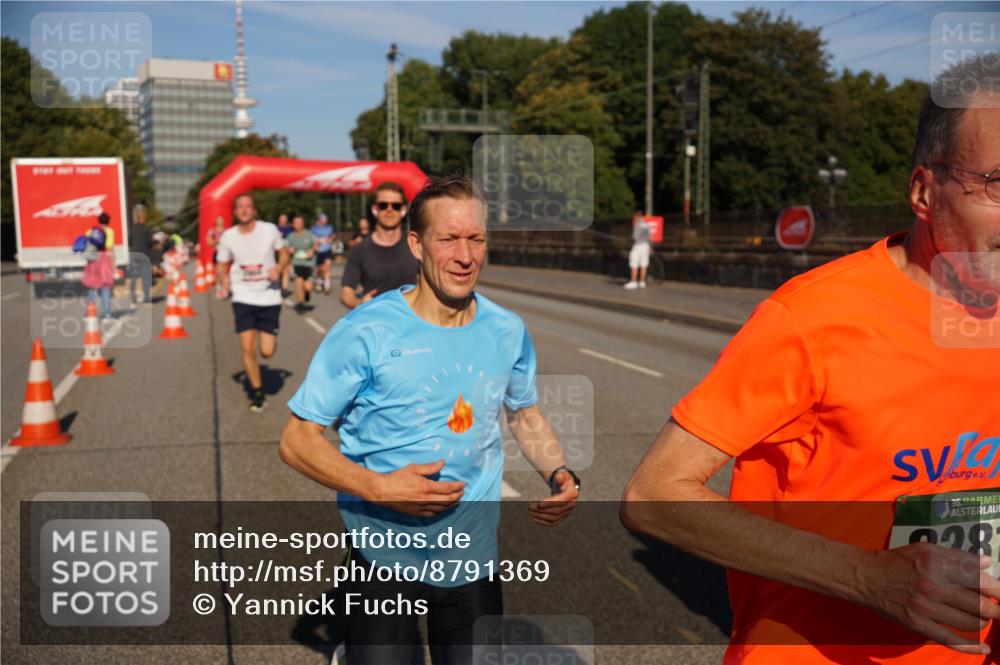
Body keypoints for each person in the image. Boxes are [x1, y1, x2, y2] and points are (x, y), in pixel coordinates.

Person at [621, 55, 1000, 665]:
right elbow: (654, 494)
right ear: (925, 191)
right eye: (998, 185)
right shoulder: (815, 316)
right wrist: (867, 578)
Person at [280, 173, 580, 665]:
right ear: (417, 245)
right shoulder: (365, 331)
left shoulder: (507, 330)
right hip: (382, 553)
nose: (465, 256)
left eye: (476, 239)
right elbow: (297, 439)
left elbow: (524, 413)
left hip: (472, 557)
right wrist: (376, 487)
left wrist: (561, 474)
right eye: (449, 239)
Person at [215, 193, 289, 413]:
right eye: (240, 207)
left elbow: (284, 254)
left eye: (248, 206)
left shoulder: (269, 230)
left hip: (268, 296)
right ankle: (257, 392)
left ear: (254, 210)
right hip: (243, 295)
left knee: (266, 351)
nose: (245, 210)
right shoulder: (228, 236)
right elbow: (221, 264)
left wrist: (279, 268)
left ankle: (263, 358)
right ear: (235, 212)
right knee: (247, 347)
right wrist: (224, 278)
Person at [340, 183, 418, 309]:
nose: (389, 209)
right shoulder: (359, 250)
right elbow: (346, 294)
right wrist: (360, 304)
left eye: (395, 206)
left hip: (412, 322)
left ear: (403, 210)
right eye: (383, 205)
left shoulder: (415, 245)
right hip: (375, 322)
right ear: (375, 210)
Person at [82, 211, 116, 318]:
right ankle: (107, 313)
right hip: (104, 258)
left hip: (92, 259)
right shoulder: (109, 231)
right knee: (105, 286)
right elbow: (109, 247)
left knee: (92, 286)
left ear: (99, 220)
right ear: (108, 221)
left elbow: (86, 244)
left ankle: (88, 313)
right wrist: (113, 263)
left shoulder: (91, 231)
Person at [285, 214, 318, 312]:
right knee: (298, 282)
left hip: (309, 263)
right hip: (297, 263)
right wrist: (289, 249)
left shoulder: (309, 234)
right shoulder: (291, 236)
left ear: (303, 224)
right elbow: (286, 247)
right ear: (293, 224)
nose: (297, 224)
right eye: (295, 223)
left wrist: (312, 250)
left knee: (307, 287)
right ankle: (301, 303)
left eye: (300, 222)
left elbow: (316, 244)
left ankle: (307, 294)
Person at [127, 204, 152, 304]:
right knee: (145, 277)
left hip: (134, 255)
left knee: (134, 277)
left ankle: (133, 297)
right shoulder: (147, 229)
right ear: (143, 219)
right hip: (144, 256)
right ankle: (145, 297)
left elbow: (129, 241)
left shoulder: (132, 229)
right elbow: (150, 242)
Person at [624, 211, 651, 289]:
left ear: (637, 216)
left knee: (634, 264)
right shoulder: (646, 224)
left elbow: (635, 237)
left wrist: (629, 240)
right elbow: (649, 237)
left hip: (638, 246)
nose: (634, 218)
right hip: (646, 246)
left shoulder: (637, 224)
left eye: (635, 217)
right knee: (644, 264)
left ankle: (633, 282)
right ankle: (642, 282)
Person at [311, 212, 335, 294]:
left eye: (326, 219)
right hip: (319, 251)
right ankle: (319, 281)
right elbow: (312, 238)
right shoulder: (314, 228)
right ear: (319, 219)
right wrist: (319, 240)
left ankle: (327, 286)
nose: (324, 220)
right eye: (323, 218)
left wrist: (331, 239)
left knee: (327, 267)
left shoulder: (329, 227)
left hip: (327, 249)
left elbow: (332, 236)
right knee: (319, 269)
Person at [277, 213, 293, 294]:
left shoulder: (290, 228)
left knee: (286, 269)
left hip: (287, 251)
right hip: (277, 252)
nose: (283, 220)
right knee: (280, 270)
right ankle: (279, 284)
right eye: (281, 218)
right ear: (279, 219)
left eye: (285, 218)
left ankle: (284, 288)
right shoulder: (275, 228)